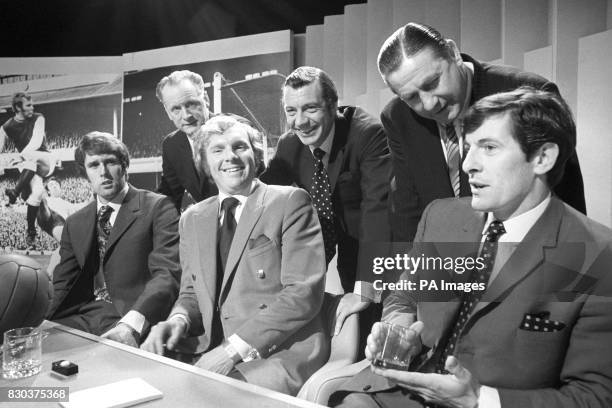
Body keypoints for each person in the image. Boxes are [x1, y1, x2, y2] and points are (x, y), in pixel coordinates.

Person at [330, 87, 612, 408]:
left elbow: (595, 396)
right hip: (405, 390)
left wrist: (479, 400)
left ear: (543, 158)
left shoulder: (598, 256)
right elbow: (405, 294)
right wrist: (399, 332)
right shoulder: (441, 215)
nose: (467, 165)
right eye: (468, 148)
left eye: (489, 148)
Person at [141, 115, 328, 395]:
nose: (231, 157)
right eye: (218, 150)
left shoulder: (291, 202)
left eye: (240, 147)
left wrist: (231, 351)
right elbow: (191, 292)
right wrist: (177, 320)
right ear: (204, 163)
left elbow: (302, 294)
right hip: (207, 349)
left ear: (256, 155)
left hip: (275, 353)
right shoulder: (191, 218)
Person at [378, 22, 586, 242]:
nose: (429, 104)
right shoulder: (397, 118)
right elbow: (406, 208)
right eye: (411, 97)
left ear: (452, 53)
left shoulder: (529, 93)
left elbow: (565, 199)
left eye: (432, 82)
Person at [261, 66, 391, 337]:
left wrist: (366, 286)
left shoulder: (367, 134)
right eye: (291, 111)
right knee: (360, 331)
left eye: (310, 108)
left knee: (384, 325)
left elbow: (376, 211)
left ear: (333, 106)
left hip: (383, 252)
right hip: (344, 253)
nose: (300, 121)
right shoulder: (289, 146)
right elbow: (264, 196)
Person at [47, 132, 181, 347]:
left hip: (129, 316)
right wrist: (41, 322)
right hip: (82, 315)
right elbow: (64, 282)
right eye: (94, 165)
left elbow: (167, 275)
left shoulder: (158, 207)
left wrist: (131, 325)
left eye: (110, 162)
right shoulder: (75, 222)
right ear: (85, 173)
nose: (103, 172)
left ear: (125, 166)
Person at [0, 92, 57, 248]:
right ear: (18, 107)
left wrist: (20, 156)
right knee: (37, 192)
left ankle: (14, 193)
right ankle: (31, 231)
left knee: (29, 158)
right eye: (28, 105)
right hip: (27, 165)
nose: (33, 107)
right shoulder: (6, 127)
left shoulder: (39, 117)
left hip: (44, 160)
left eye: (32, 104)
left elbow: (37, 141)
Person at [156, 70, 217, 211]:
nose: (186, 115)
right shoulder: (171, 145)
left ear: (206, 99)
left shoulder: (235, 129)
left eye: (191, 104)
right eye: (176, 109)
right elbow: (170, 194)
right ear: (167, 112)